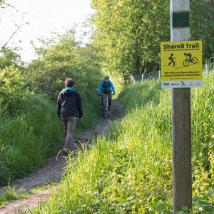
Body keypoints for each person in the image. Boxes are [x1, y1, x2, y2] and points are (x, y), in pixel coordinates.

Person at [57, 78, 83, 150]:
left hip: (63, 114)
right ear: (73, 85)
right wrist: (80, 114)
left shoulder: (61, 93)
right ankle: (66, 148)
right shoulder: (76, 93)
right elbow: (79, 105)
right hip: (72, 115)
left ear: (65, 84)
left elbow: (58, 104)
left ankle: (68, 145)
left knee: (66, 130)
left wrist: (59, 114)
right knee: (70, 132)